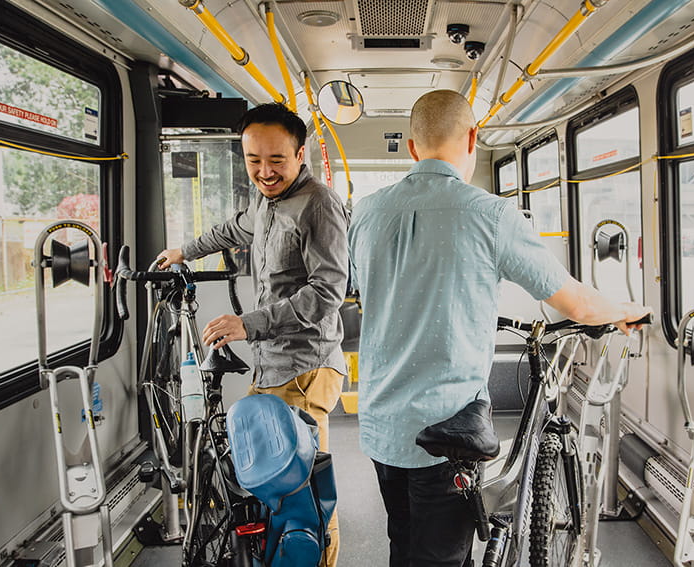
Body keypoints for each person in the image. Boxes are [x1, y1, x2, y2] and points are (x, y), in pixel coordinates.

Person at [347, 90, 651, 567]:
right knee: (441, 556)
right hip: (445, 429)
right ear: (473, 137)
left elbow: (373, 292)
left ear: (412, 147)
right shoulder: (491, 215)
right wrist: (624, 309)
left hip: (382, 422)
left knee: (402, 542)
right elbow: (576, 301)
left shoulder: (365, 212)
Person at [157, 102, 348, 566]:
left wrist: (249, 324)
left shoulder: (318, 205)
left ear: (300, 154)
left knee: (303, 490)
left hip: (305, 367)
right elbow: (231, 230)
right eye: (253, 160)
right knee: (271, 485)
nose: (264, 171)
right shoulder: (265, 203)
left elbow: (327, 292)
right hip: (272, 364)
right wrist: (185, 250)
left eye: (276, 160)